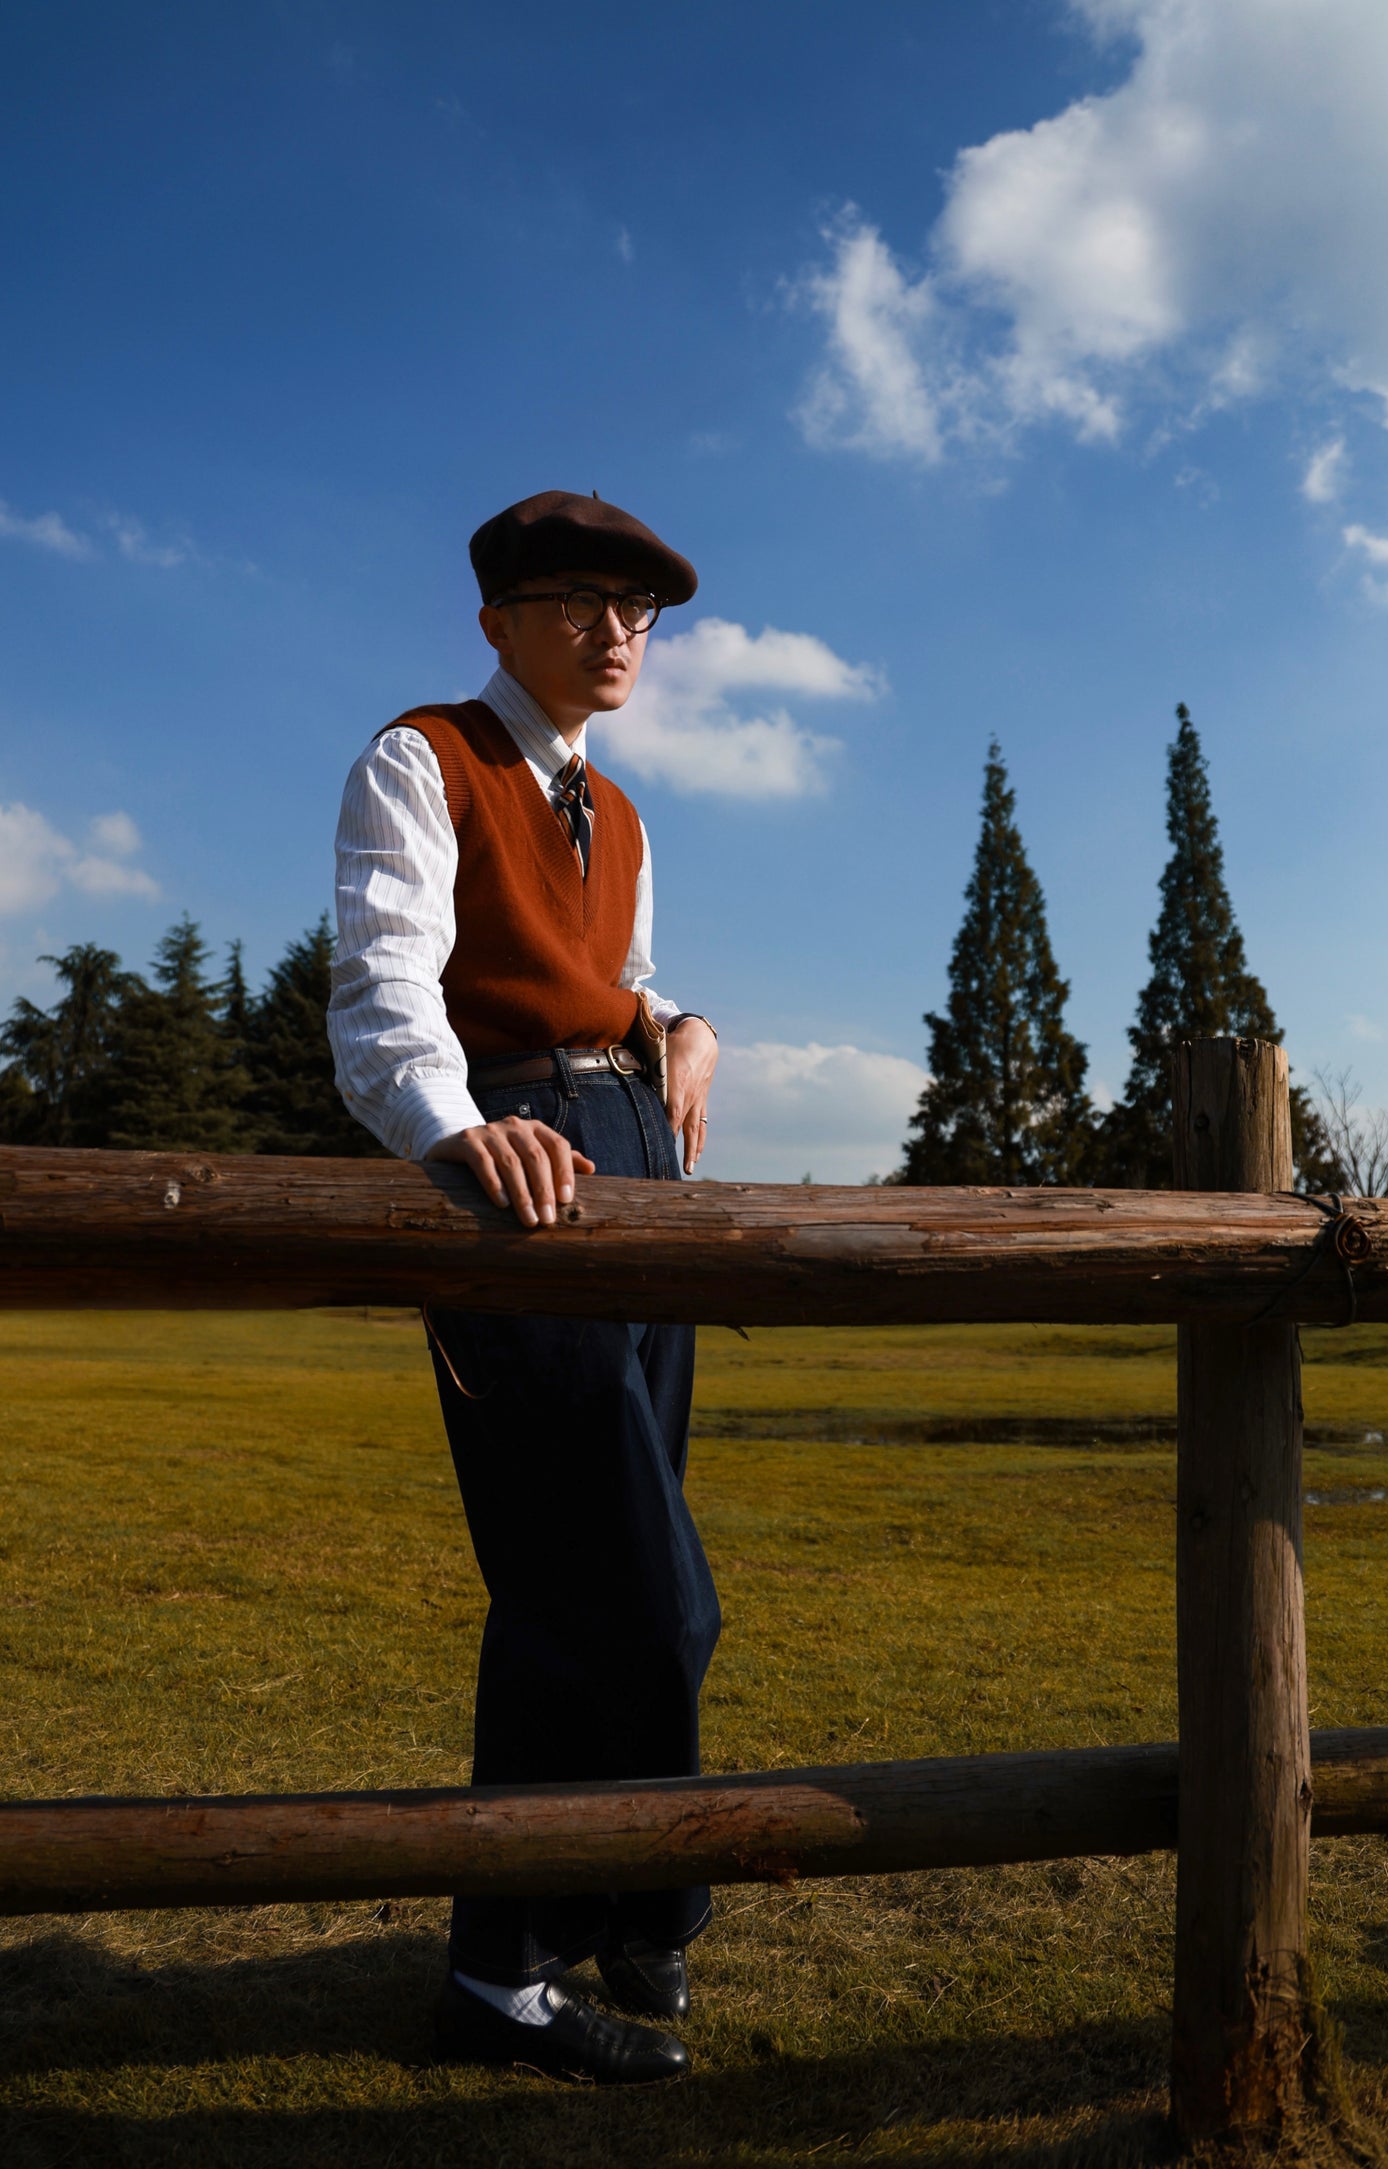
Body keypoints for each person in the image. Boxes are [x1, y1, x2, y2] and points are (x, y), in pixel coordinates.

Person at [327, 490, 722, 2084]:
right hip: (521, 1163)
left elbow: (605, 978)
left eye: (638, 606)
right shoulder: (420, 756)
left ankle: (620, 1905)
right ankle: (522, 1958)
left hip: (636, 1158)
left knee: (612, 1571)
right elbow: (380, 992)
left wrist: (681, 1024)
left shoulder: (616, 812)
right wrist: (460, 1131)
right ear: (496, 615)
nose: (618, 630)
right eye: (579, 598)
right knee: (622, 1588)